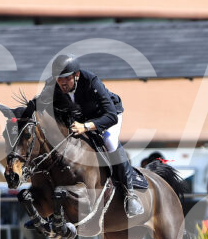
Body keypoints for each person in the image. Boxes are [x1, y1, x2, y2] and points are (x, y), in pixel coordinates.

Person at [34, 54, 144, 218]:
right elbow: (37, 105)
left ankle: (130, 193)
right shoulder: (52, 85)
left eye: (66, 78)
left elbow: (111, 116)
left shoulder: (91, 81)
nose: (62, 82)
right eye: (59, 78)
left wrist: (85, 127)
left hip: (106, 116)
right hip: (80, 118)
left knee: (109, 141)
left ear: (76, 75)